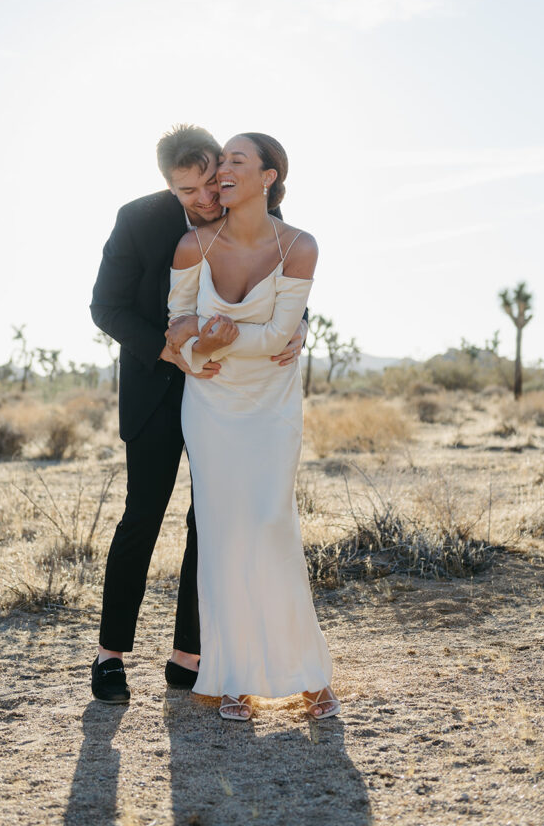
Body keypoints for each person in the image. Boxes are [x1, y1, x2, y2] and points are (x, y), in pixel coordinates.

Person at [89, 124, 306, 704]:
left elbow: (280, 277)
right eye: (189, 193)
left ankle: (188, 652)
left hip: (227, 393)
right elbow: (104, 306)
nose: (207, 199)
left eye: (211, 182)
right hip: (158, 388)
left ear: (220, 167)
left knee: (206, 522)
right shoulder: (138, 220)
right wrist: (171, 351)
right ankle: (110, 655)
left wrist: (300, 327)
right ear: (168, 188)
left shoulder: (245, 205)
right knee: (143, 514)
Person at [166, 133, 340, 721]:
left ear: (268, 177)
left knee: (271, 525)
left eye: (237, 161)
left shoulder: (300, 246)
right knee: (222, 535)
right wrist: (196, 349)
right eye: (222, 163)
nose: (223, 171)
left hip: (271, 406)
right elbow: (177, 337)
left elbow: (277, 339)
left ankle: (309, 676)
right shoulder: (191, 246)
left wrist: (212, 339)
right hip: (210, 407)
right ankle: (234, 677)